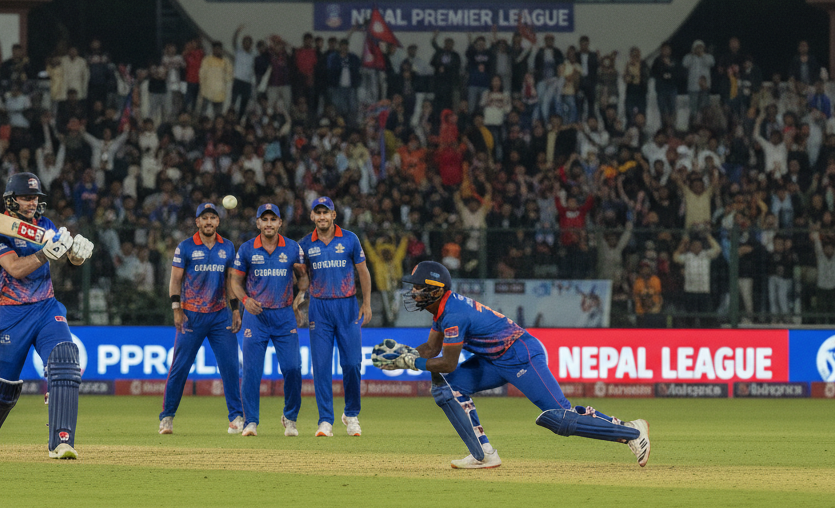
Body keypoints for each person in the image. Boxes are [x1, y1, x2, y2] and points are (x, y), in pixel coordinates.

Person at [374, 262, 650, 469]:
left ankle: (632, 433)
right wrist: (407, 353)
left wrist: (411, 361)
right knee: (447, 388)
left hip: (521, 355)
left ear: (436, 290)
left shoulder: (453, 313)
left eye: (419, 287)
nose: (414, 292)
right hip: (495, 360)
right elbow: (432, 349)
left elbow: (446, 362)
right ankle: (484, 455)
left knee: (559, 417)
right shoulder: (442, 309)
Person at [0, 172, 94, 460]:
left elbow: (65, 257)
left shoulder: (45, 225)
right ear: (11, 201)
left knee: (65, 361)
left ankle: (62, 441)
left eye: (35, 198)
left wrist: (77, 254)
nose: (32, 203)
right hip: (13, 312)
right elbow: (14, 268)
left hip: (46, 307)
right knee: (6, 385)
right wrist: (43, 255)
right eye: (26, 198)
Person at [159, 202, 244, 436]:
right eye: (204, 218)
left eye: (212, 218)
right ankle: (167, 417)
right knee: (180, 367)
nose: (208, 222)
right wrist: (176, 308)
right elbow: (175, 280)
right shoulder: (185, 247)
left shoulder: (227, 247)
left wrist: (235, 309)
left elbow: (231, 282)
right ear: (197, 222)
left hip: (220, 315)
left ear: (218, 222)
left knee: (230, 367)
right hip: (191, 315)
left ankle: (236, 417)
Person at [228, 203, 308, 437]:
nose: (269, 224)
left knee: (293, 369)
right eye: (265, 219)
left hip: (284, 316)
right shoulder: (246, 249)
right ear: (258, 223)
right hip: (256, 316)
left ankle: (290, 418)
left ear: (280, 223)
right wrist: (244, 301)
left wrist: (299, 299)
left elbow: (303, 279)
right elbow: (235, 282)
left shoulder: (293, 248)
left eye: (273, 219)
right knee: (252, 371)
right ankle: (251, 421)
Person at [298, 196, 372, 437]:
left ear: (333, 215)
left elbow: (363, 271)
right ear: (312, 217)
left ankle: (351, 414)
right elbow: (300, 278)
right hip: (319, 308)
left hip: (348, 306)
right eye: (317, 213)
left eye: (325, 212)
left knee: (352, 364)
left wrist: (367, 303)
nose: (322, 217)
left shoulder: (350, 239)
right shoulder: (305, 244)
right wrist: (297, 301)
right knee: (320, 367)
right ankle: (325, 421)